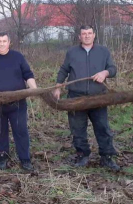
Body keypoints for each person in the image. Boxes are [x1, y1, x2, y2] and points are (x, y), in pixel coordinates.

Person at [53, 25, 120, 171]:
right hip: (76, 97)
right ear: (79, 37)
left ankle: (107, 157)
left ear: (94, 35)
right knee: (77, 128)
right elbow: (64, 70)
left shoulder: (103, 51)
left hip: (98, 97)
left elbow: (113, 69)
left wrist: (105, 73)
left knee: (103, 127)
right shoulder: (72, 52)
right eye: (84, 34)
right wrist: (58, 87)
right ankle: (82, 155)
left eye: (89, 33)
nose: (87, 36)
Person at [0, 32, 37, 171]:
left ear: (9, 42)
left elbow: (27, 74)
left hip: (17, 102)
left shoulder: (18, 57)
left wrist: (34, 89)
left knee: (20, 130)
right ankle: (2, 157)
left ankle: (25, 159)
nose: (2, 43)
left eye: (4, 41)